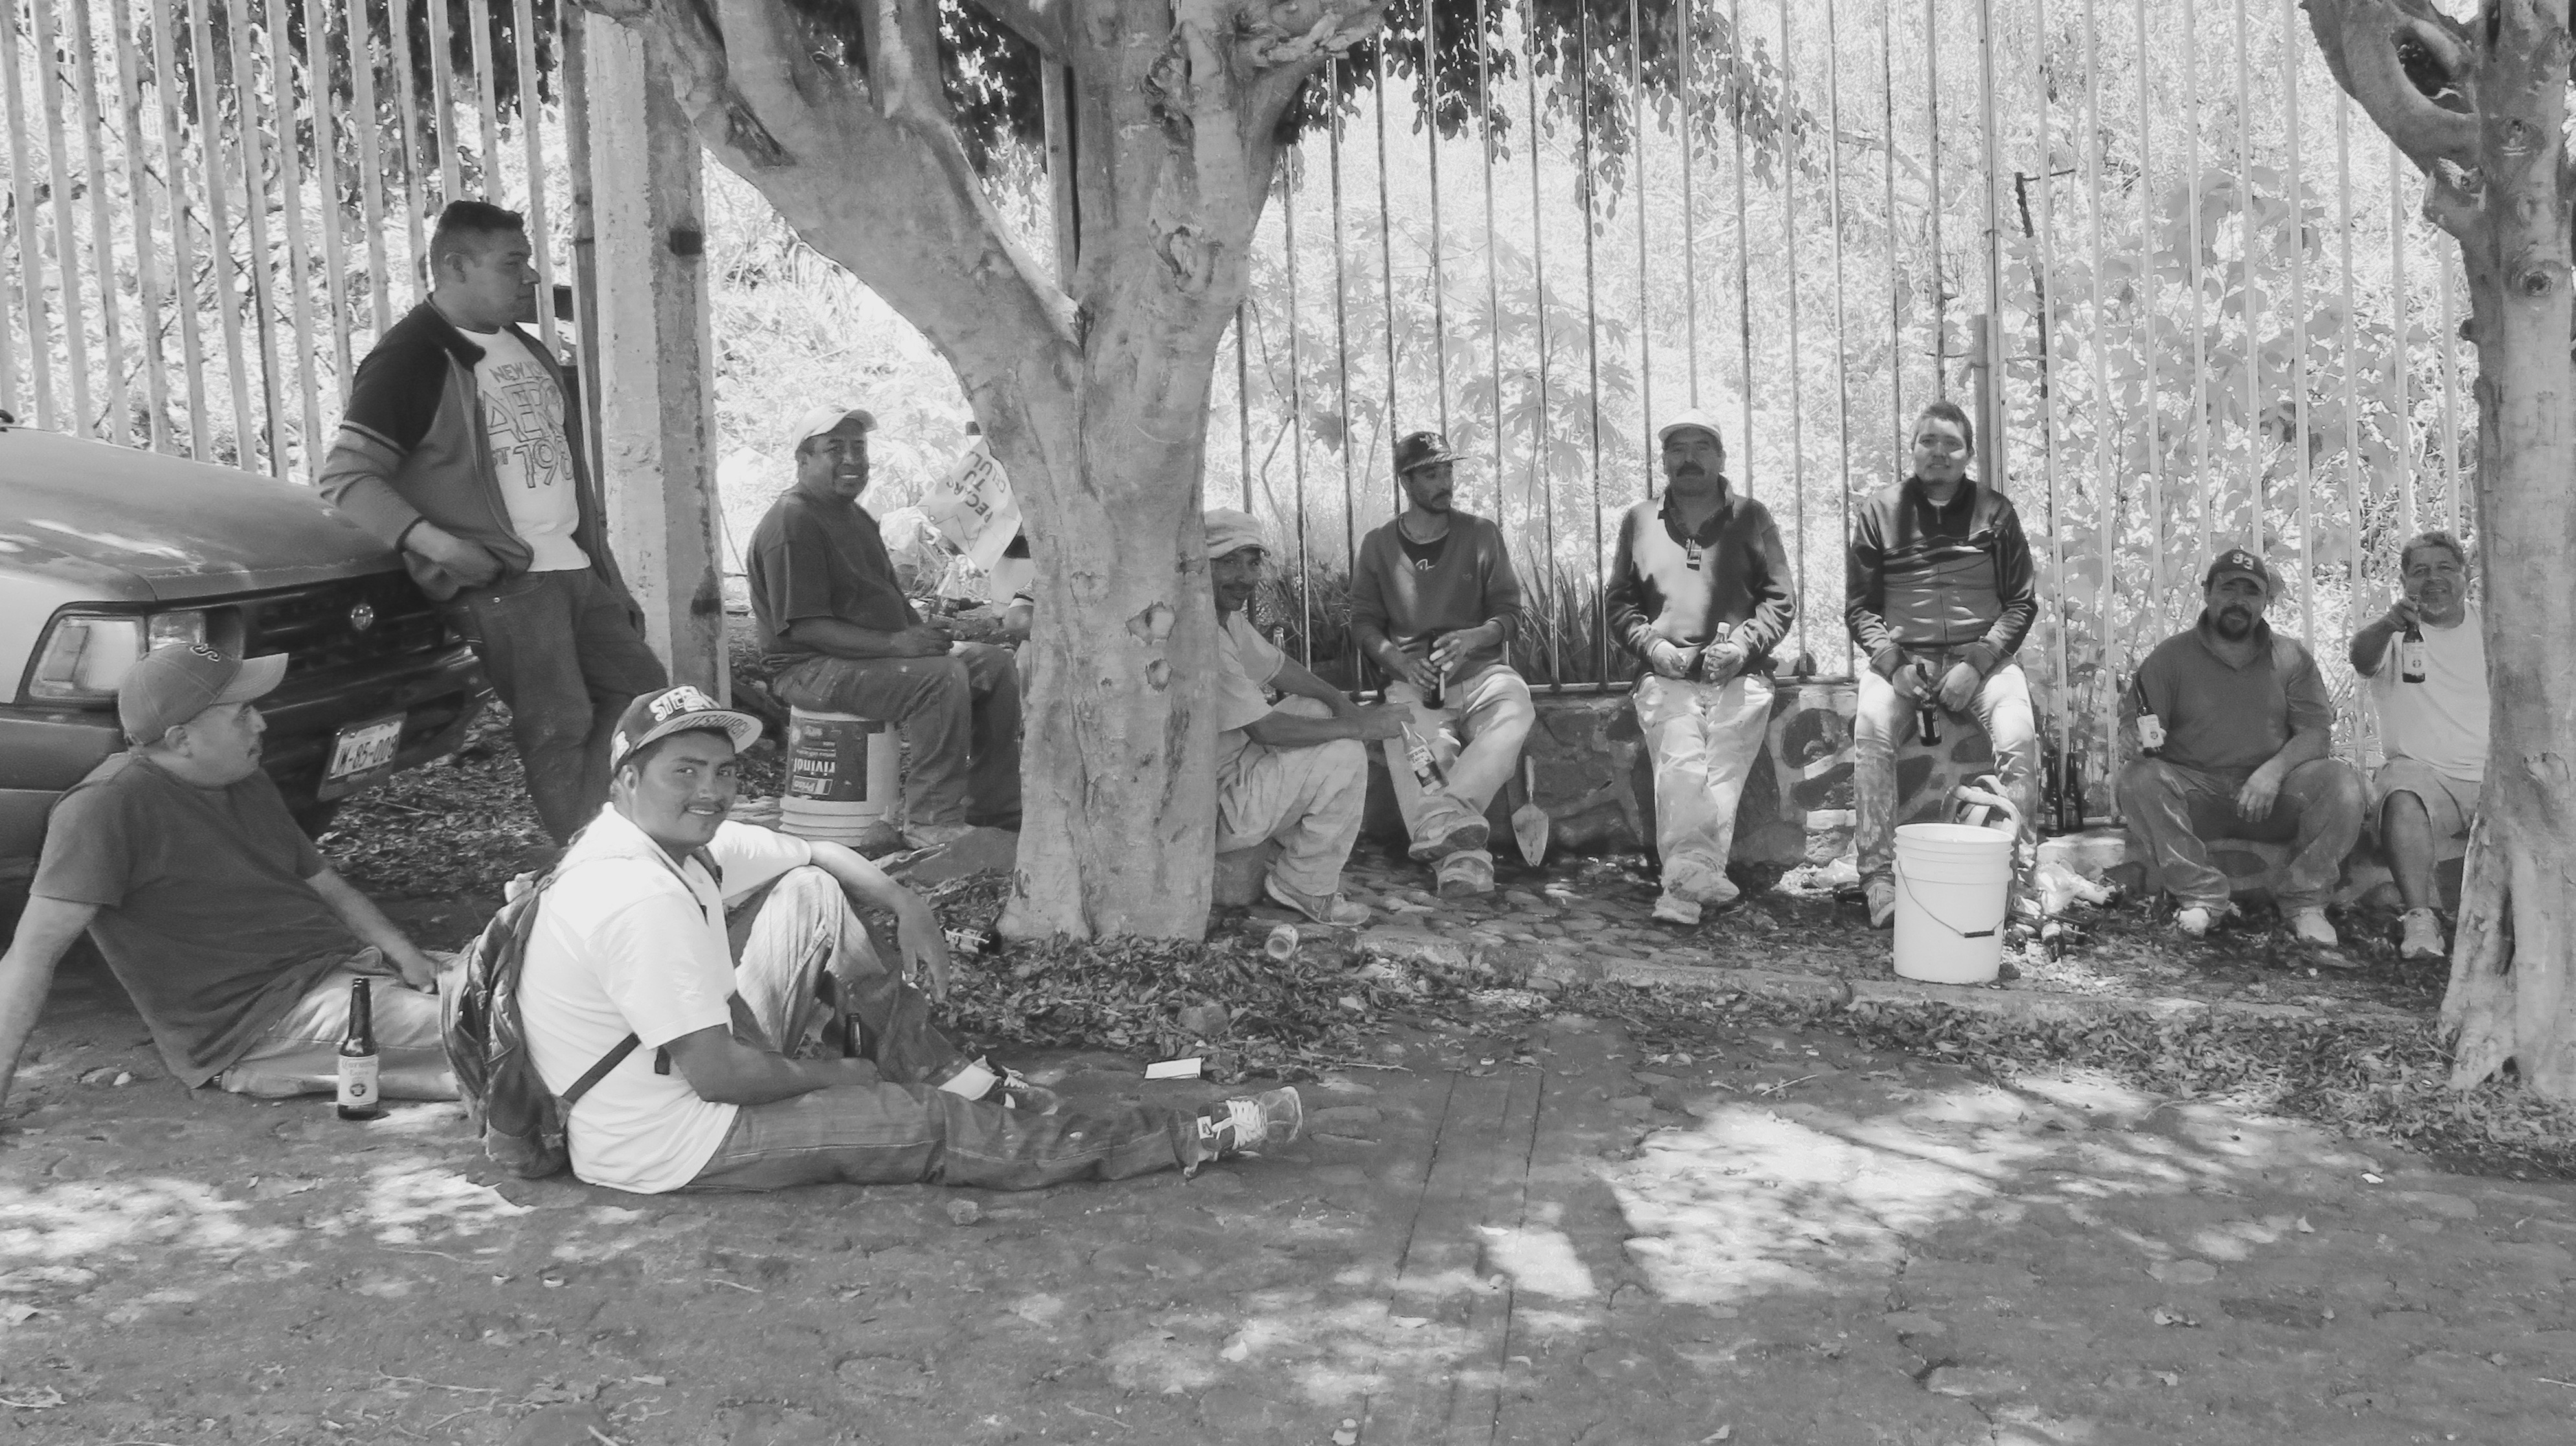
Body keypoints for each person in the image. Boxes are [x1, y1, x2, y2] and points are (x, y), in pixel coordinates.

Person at [517, 684, 1301, 1193]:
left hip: (671, 1071)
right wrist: (836, 1076)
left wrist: (905, 901)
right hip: (669, 1138)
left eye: (723, 773)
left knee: (811, 892)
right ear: (627, 779)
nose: (712, 792)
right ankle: (1175, 1136)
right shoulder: (636, 896)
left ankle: (950, 1075)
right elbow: (719, 1077)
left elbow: (814, 852)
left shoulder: (669, 845)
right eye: (685, 772)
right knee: (920, 1123)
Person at [319, 199, 666, 847]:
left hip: (572, 565)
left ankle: (613, 843)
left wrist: (608, 577)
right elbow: (346, 477)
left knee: (644, 696)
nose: (531, 277)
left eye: (527, 261)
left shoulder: (525, 347)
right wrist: (442, 547)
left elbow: (563, 473)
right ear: (456, 267)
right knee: (559, 722)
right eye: (513, 263)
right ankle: (590, 861)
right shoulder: (410, 358)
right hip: (508, 579)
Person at [0, 645, 458, 1114]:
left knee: (500, 979)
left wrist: (407, 958)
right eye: (241, 714)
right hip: (260, 1024)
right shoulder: (103, 807)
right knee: (490, 1029)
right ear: (182, 739)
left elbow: (327, 886)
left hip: (346, 970)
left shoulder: (243, 776)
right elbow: (32, 955)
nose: (260, 723)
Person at [746, 406, 1022, 848]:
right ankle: (931, 821)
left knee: (993, 665)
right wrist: (898, 644)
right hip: (808, 668)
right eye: (834, 449)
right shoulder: (794, 521)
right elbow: (804, 629)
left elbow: (886, 598)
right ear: (803, 459)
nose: (852, 459)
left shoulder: (853, 516)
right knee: (939, 678)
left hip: (865, 656)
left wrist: (921, 636)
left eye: (859, 448)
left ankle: (993, 808)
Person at [1844, 399, 2042, 930]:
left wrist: (1975, 665)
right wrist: (1894, 666)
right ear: (1911, 449)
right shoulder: (1880, 511)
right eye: (1927, 441)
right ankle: (1878, 880)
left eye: (1951, 444)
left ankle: (2018, 881)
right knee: (1871, 733)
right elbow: (1860, 608)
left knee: (2018, 735)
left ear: (1968, 454)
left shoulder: (1995, 512)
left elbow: (2021, 603)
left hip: (1982, 660)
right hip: (1902, 659)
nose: (1938, 452)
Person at [2118, 548, 2368, 946]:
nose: (2238, 601)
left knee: (2344, 785)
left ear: (2265, 601)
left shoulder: (2290, 657)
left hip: (2270, 797)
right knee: (2137, 779)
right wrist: (2132, 737)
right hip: (2196, 796)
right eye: (2228, 589)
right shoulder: (2170, 657)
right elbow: (2140, 724)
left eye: (2251, 592)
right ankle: (2200, 896)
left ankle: (2305, 901)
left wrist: (2272, 773)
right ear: (2207, 593)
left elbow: (2316, 735)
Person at [1605, 409, 1795, 925]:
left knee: (1722, 767)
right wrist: (1651, 646)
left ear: (1721, 457)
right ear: (1663, 460)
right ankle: (1695, 876)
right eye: (1677, 449)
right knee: (1681, 762)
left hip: (1740, 672)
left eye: (1700, 447)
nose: (1688, 458)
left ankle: (1681, 887)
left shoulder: (1752, 518)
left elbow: (1780, 600)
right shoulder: (1639, 520)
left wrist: (1742, 647)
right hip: (1665, 673)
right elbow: (1619, 603)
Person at [1348, 430, 1535, 898]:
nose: (1445, 482)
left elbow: (1509, 614)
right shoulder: (1377, 545)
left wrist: (1475, 637)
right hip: (1414, 682)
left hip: (1482, 673)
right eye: (1431, 474)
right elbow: (1363, 621)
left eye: (1448, 471)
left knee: (1516, 707)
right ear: (1405, 482)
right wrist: (1398, 662)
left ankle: (1438, 816)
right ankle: (1464, 863)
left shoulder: (1481, 534)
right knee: (1417, 748)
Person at [1205, 509, 1412, 927]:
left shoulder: (1224, 619)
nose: (1244, 577)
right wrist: (1361, 726)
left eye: (1252, 562)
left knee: (1319, 708)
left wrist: (1342, 703)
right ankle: (1305, 884)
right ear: (1199, 566)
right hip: (1215, 808)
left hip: (1232, 769)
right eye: (1227, 562)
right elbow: (1266, 729)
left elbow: (1278, 667)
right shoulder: (1203, 637)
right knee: (1344, 756)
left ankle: (1289, 850)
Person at [2348, 530, 2486, 962]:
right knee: (2401, 792)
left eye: (2444, 568)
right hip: (2424, 776)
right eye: (2420, 571)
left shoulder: (2492, 627)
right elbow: (2360, 657)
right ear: (2404, 581)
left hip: (2493, 778)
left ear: (2465, 575)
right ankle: (2420, 918)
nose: (2433, 579)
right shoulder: (2392, 632)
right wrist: (2390, 623)